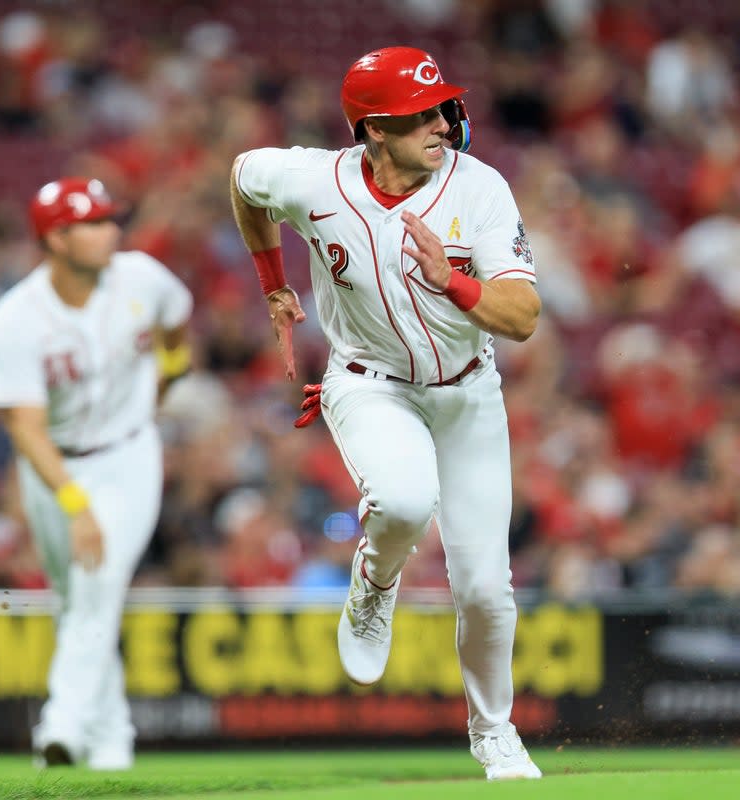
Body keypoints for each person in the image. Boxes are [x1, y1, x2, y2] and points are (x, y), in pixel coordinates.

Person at [230, 47, 543, 781]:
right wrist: (272, 280)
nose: (440, 123)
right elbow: (244, 181)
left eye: (442, 108)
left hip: (467, 390)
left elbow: (524, 316)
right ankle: (374, 585)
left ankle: (494, 733)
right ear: (373, 129)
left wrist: (455, 284)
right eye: (419, 115)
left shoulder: (481, 188)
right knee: (401, 502)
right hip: (369, 383)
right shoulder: (314, 181)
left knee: (485, 590)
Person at [0, 177, 193, 771]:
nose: (110, 231)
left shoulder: (142, 278)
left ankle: (63, 728)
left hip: (129, 453)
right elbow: (25, 427)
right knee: (79, 599)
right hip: (53, 463)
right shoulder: (17, 317)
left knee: (98, 582)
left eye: (109, 219)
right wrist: (74, 505)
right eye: (93, 223)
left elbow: (178, 329)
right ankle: (113, 739)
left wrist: (167, 376)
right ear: (57, 238)